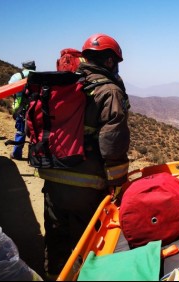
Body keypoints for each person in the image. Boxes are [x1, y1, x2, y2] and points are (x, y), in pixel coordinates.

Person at [36, 33, 131, 279]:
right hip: (86, 186)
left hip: (53, 177)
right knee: (87, 244)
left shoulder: (66, 85)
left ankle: (53, 275)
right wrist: (117, 184)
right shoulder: (109, 91)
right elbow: (113, 144)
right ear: (110, 62)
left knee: (56, 236)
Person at [8, 60, 36, 160]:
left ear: (24, 67)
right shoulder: (39, 76)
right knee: (35, 132)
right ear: (34, 67)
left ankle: (17, 154)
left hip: (21, 108)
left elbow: (9, 89)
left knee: (20, 131)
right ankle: (34, 156)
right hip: (36, 108)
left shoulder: (17, 76)